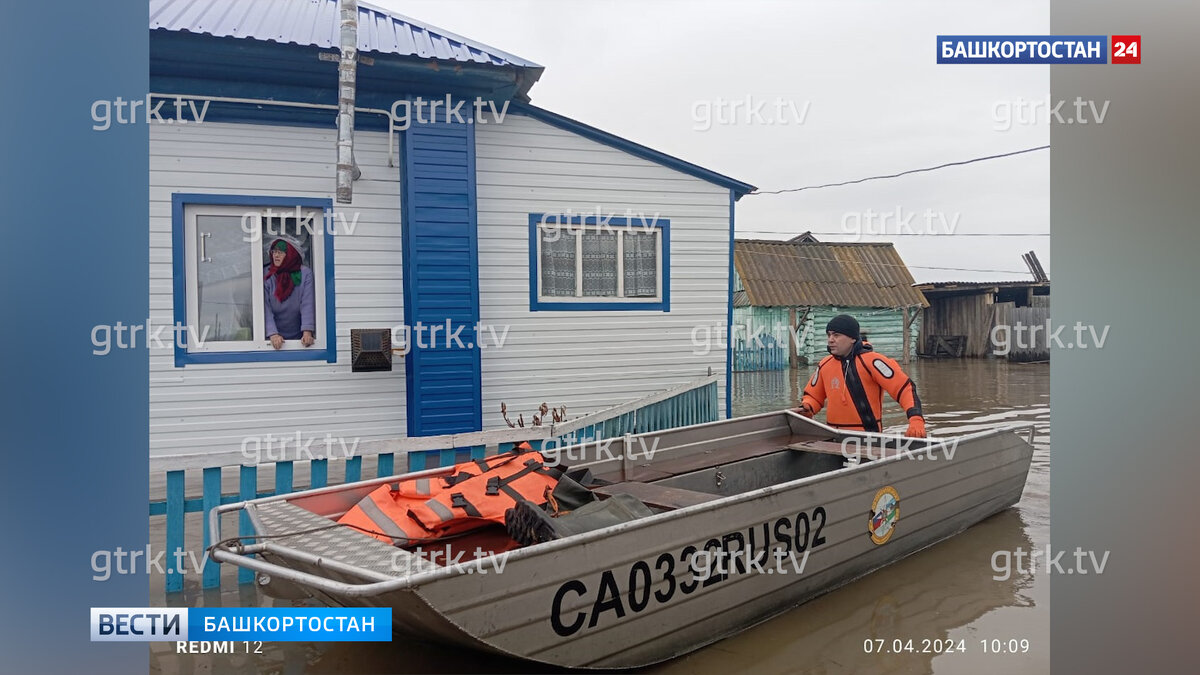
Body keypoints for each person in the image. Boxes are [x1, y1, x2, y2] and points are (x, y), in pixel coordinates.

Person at [795, 314, 926, 438]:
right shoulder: (825, 365)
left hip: (868, 438)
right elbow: (813, 396)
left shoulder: (873, 362)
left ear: (853, 338)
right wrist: (807, 407)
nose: (830, 340)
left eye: (836, 335)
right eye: (828, 335)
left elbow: (904, 389)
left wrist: (916, 419)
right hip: (833, 438)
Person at [263, 236, 315, 349]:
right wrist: (273, 333)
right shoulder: (267, 274)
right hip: (273, 337)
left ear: (290, 254)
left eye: (281, 252)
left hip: (299, 335)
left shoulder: (305, 273)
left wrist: (307, 331)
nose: (276, 255)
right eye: (274, 252)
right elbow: (265, 308)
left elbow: (307, 303)